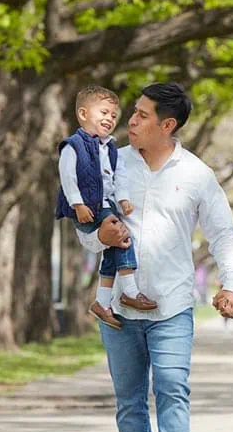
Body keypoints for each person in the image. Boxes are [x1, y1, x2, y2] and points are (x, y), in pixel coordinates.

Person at [77, 83, 233, 432]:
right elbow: (83, 225)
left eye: (142, 115)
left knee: (172, 389)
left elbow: (222, 232)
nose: (130, 120)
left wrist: (232, 284)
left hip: (171, 304)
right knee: (129, 398)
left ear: (167, 125)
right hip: (118, 307)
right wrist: (99, 236)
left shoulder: (195, 174)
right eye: (132, 112)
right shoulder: (108, 162)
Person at [55, 85, 157, 329]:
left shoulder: (110, 147)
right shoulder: (73, 146)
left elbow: (117, 177)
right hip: (87, 206)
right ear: (83, 114)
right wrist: (77, 204)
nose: (109, 119)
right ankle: (130, 291)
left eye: (113, 115)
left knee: (112, 249)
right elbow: (67, 177)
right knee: (123, 236)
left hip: (107, 205)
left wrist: (122, 199)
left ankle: (101, 302)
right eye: (103, 113)